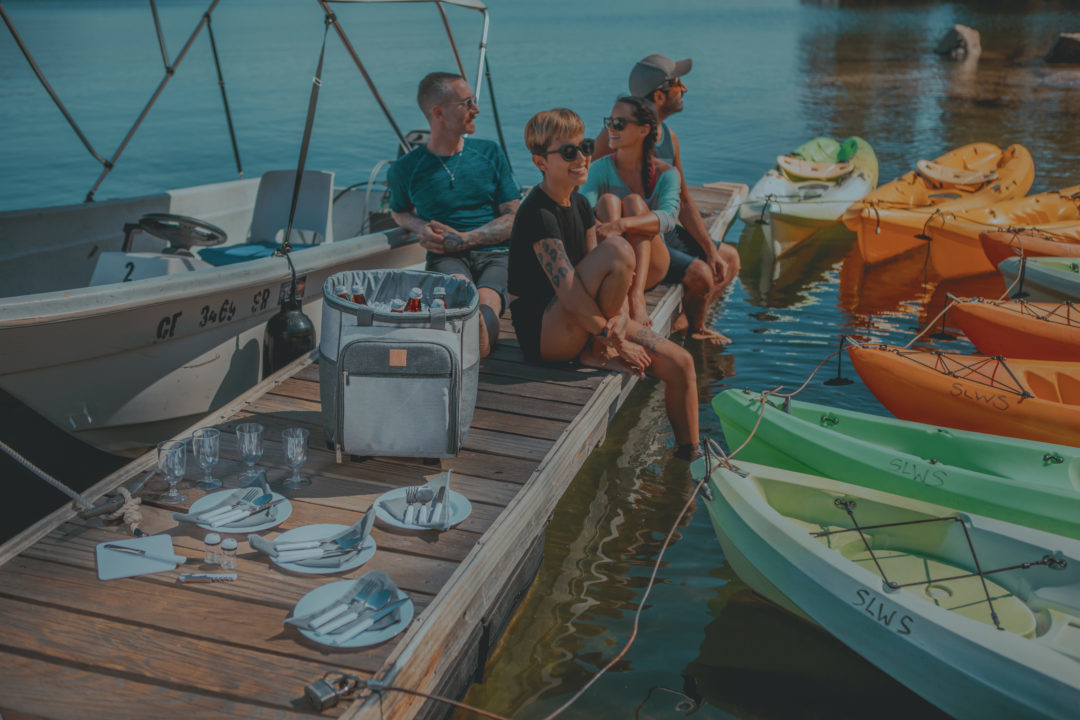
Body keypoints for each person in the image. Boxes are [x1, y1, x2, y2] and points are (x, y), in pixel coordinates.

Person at [508, 108, 700, 460]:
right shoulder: (538, 213)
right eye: (568, 153)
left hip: (585, 323)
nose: (582, 158)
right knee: (617, 247)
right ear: (540, 162)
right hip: (546, 334)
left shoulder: (580, 204)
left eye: (583, 147)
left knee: (681, 362)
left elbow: (608, 278)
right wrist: (612, 341)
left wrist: (623, 319)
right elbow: (569, 291)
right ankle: (599, 351)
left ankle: (691, 459)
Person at [594, 54, 741, 344]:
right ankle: (695, 331)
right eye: (678, 84)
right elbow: (587, 189)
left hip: (663, 230)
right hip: (638, 240)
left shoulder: (668, 137)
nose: (684, 89)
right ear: (659, 96)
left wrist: (710, 248)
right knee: (701, 275)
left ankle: (685, 324)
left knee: (729, 258)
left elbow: (684, 201)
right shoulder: (616, 134)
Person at [388, 72, 521, 357]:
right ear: (439, 113)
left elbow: (513, 217)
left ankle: (479, 341)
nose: (476, 109)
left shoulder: (490, 153)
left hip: (496, 252)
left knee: (487, 300)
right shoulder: (405, 169)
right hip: (445, 256)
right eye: (467, 102)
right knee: (460, 293)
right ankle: (474, 337)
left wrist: (464, 239)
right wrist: (420, 227)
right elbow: (398, 211)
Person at [580, 96, 675, 328]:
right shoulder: (599, 169)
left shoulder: (666, 173)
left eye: (619, 123)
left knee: (634, 203)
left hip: (650, 265)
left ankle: (636, 296)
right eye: (609, 122)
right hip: (614, 262)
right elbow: (582, 210)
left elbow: (670, 218)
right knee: (609, 200)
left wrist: (622, 225)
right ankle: (620, 296)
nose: (611, 129)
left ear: (644, 130)